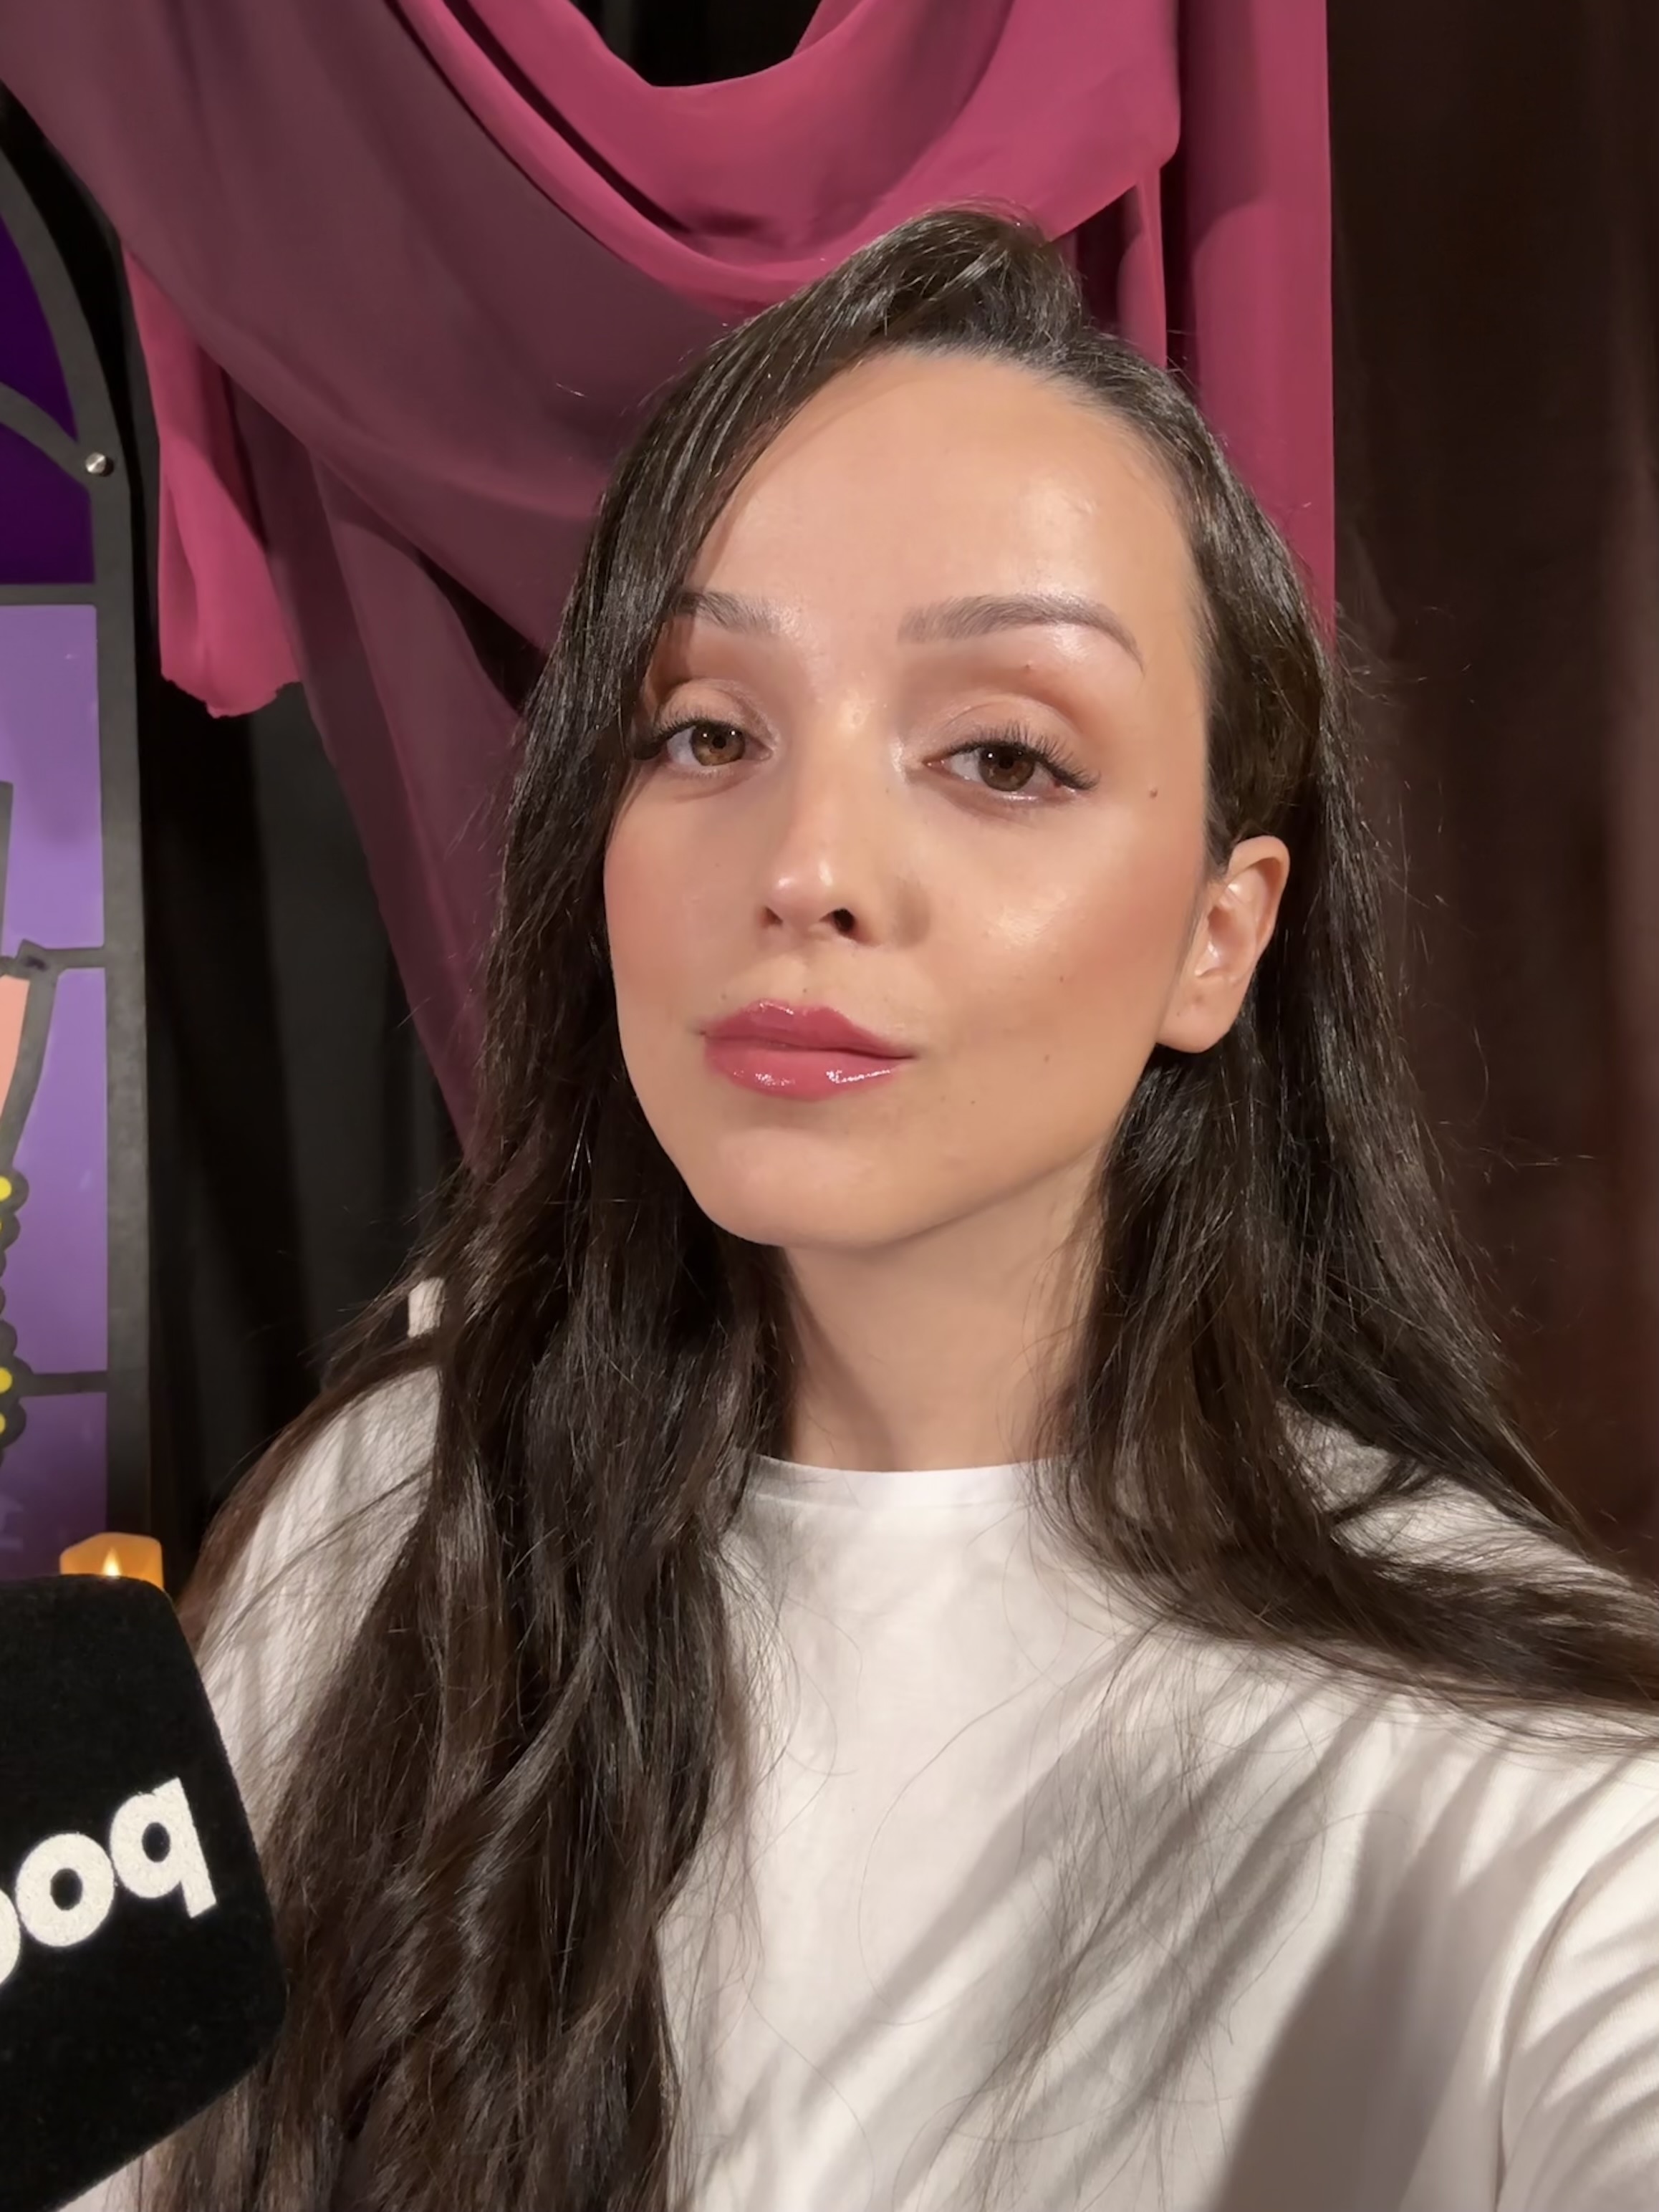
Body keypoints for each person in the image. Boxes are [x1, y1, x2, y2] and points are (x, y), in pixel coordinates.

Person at [97, 208, 1659, 2212]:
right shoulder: (385, 1516)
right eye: (708, 732)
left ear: (1220, 932)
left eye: (1002, 755)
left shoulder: (1528, 1787)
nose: (807, 863)